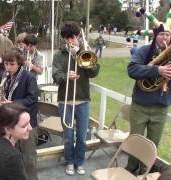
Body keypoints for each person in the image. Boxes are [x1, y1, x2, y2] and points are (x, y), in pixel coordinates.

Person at [126, 25, 171, 175]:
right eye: (161, 35)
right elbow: (132, 69)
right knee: (136, 141)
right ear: (155, 36)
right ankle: (131, 168)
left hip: (161, 109)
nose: (165, 38)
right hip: (140, 106)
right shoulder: (144, 51)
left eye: (167, 35)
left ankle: (144, 172)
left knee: (153, 144)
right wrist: (157, 70)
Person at [52, 21, 100, 175]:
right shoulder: (59, 54)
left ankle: (79, 162)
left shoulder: (85, 51)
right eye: (67, 38)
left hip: (83, 100)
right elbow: (55, 75)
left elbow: (94, 72)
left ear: (78, 36)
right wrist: (67, 76)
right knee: (68, 135)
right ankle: (69, 162)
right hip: (65, 100)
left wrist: (80, 54)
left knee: (81, 135)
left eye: (72, 37)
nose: (70, 41)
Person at [0, 47, 39, 180]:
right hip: (13, 123)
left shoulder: (29, 77)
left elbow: (32, 99)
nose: (8, 67)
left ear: (19, 63)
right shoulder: (5, 75)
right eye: (6, 64)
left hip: (27, 124)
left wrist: (12, 103)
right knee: (15, 157)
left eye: (12, 64)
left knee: (29, 159)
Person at [0, 103, 32, 180]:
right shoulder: (12, 156)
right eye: (24, 126)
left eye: (29, 122)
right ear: (8, 129)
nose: (30, 128)